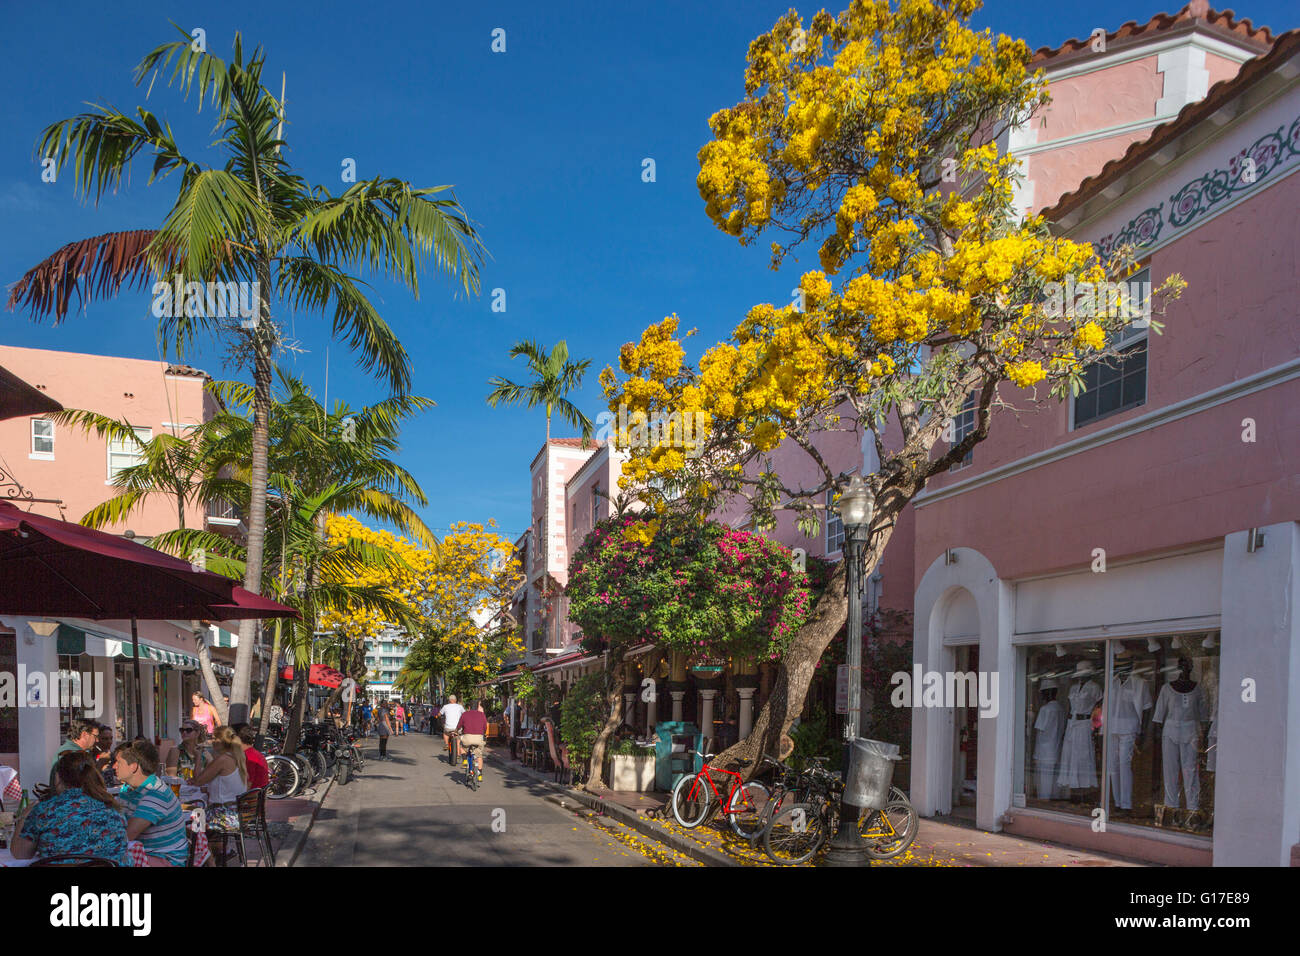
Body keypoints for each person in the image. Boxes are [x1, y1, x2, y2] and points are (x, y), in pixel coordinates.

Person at [12, 750, 129, 866]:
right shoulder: (113, 807)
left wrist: (24, 816)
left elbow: (20, 854)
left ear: (58, 777)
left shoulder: (44, 810)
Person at [113, 740, 188, 867]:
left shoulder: (155, 793)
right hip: (146, 853)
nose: (114, 766)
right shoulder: (129, 788)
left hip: (166, 860)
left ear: (134, 766)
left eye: (118, 762)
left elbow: (126, 835)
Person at [191, 726, 248, 832]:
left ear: (220, 741)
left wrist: (198, 757)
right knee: (196, 814)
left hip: (222, 816)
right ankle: (210, 847)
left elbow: (197, 781)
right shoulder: (236, 757)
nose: (211, 741)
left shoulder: (223, 759)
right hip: (234, 814)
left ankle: (200, 847)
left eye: (213, 738)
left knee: (190, 819)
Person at [49, 719, 99, 788]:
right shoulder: (70, 754)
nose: (97, 740)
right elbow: (85, 782)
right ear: (84, 735)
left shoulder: (73, 751)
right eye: (95, 736)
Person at [458, 699, 488, 783]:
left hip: (467, 737)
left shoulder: (465, 714)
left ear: (469, 707)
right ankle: (480, 775)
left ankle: (464, 760)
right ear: (478, 707)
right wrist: (483, 734)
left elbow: (459, 725)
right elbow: (485, 727)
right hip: (479, 738)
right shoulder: (482, 715)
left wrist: (456, 731)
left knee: (462, 746)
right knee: (479, 756)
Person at [233, 723, 269, 790]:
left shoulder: (248, 756)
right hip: (256, 795)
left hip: (250, 797)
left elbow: (247, 784)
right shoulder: (253, 753)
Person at [439, 695, 465, 765]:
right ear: (455, 700)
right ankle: (458, 754)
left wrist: (439, 716)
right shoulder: (460, 707)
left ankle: (447, 744)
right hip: (458, 728)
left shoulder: (445, 706)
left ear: (449, 700)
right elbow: (464, 714)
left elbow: (439, 714)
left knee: (445, 733)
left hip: (448, 727)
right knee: (458, 741)